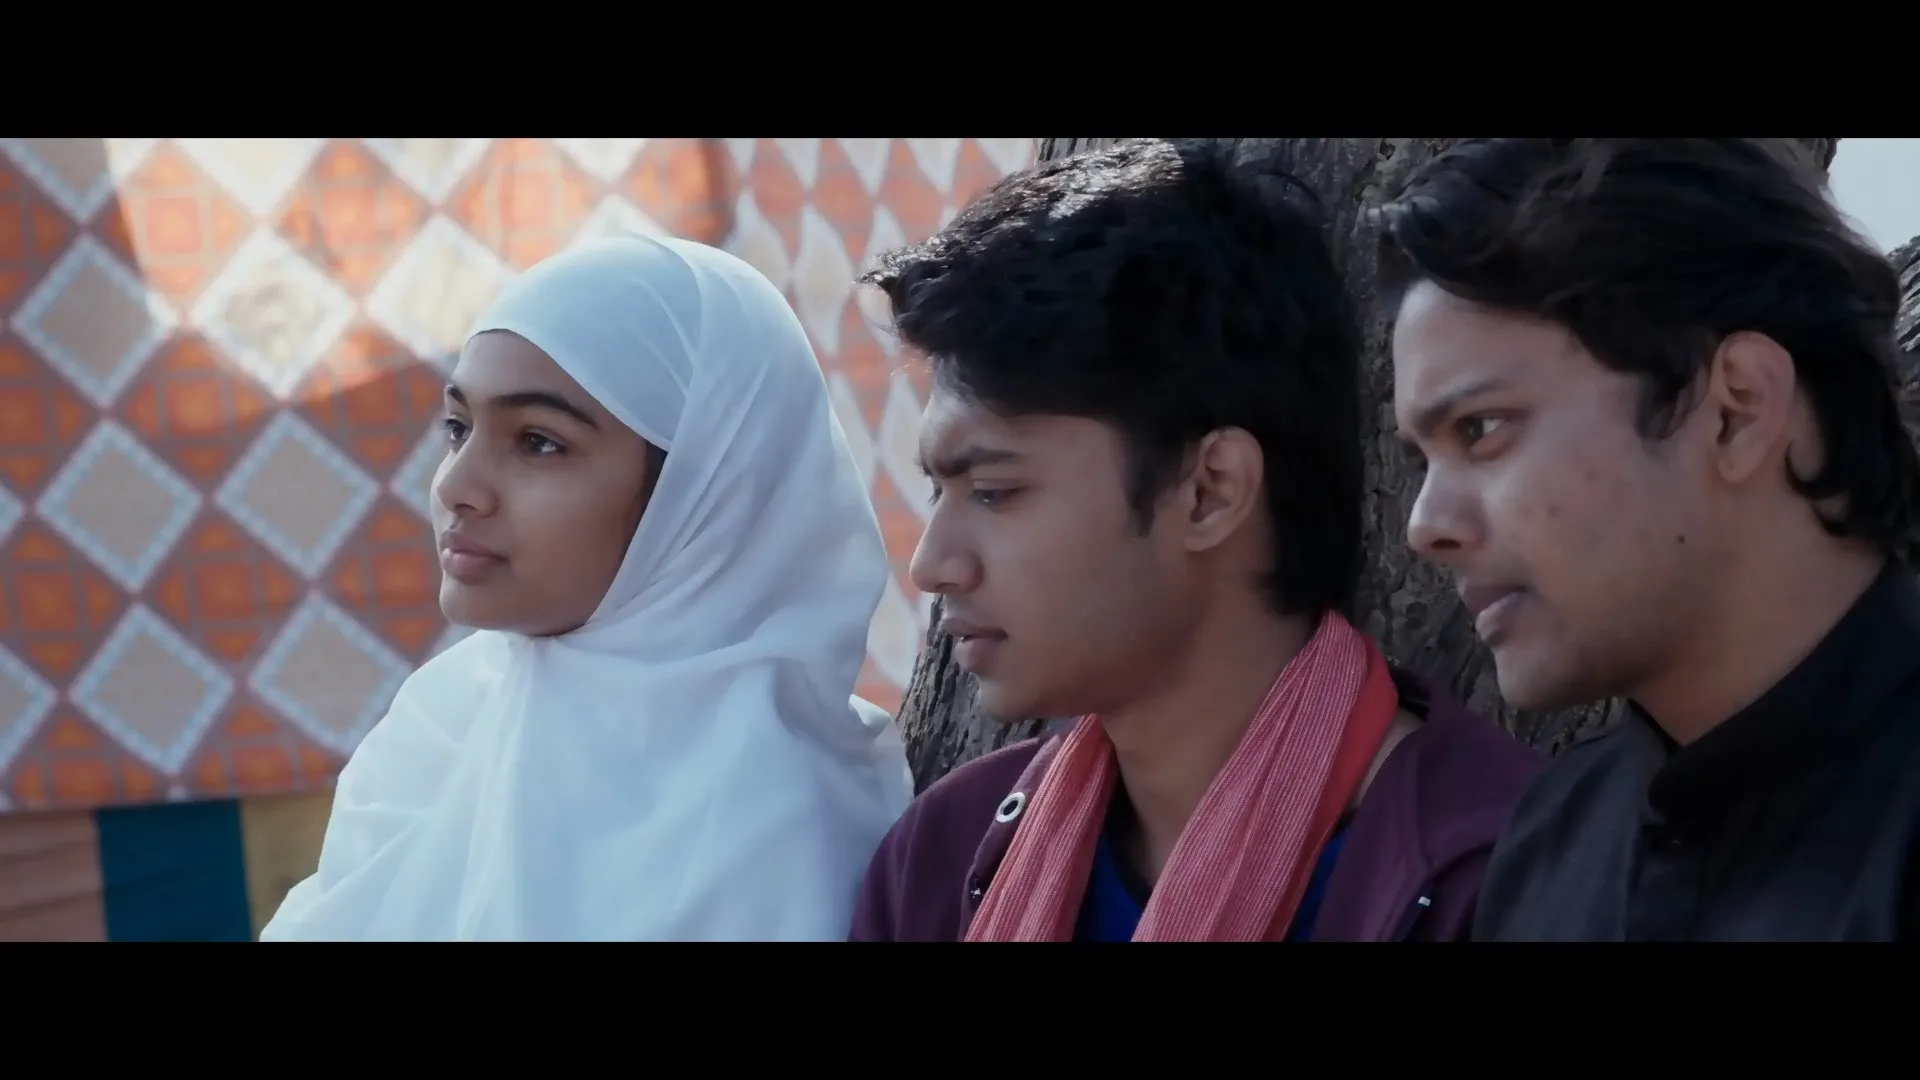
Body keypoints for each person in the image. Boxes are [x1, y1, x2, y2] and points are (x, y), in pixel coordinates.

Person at [847, 139, 1544, 943]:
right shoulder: (942, 865)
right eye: (939, 493)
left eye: (995, 492)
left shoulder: (1498, 881)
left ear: (1211, 490)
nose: (933, 565)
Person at [260, 235, 914, 941]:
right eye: (457, 428)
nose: (457, 486)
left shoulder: (770, 818)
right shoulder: (445, 722)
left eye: (539, 442)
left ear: (700, 495)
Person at [1383, 138, 1920, 941]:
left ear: (1736, 409)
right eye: (1422, 461)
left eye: (1481, 429)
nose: (1425, 526)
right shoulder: (1547, 849)